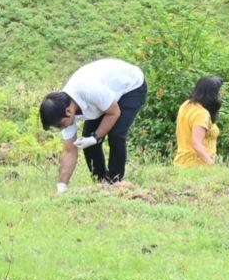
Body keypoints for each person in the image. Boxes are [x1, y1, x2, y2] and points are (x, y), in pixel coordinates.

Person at [39, 58, 148, 192]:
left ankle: (115, 182)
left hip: (131, 87)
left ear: (68, 111)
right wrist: (61, 187)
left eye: (61, 125)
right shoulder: (64, 109)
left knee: (116, 134)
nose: (62, 128)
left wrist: (96, 137)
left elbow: (114, 112)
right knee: (87, 139)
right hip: (106, 96)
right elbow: (69, 151)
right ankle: (100, 182)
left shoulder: (88, 90)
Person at [174, 76, 222, 167]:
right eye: (218, 92)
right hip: (197, 166)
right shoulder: (201, 114)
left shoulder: (186, 105)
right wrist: (212, 165)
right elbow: (196, 144)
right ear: (211, 95)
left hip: (181, 162)